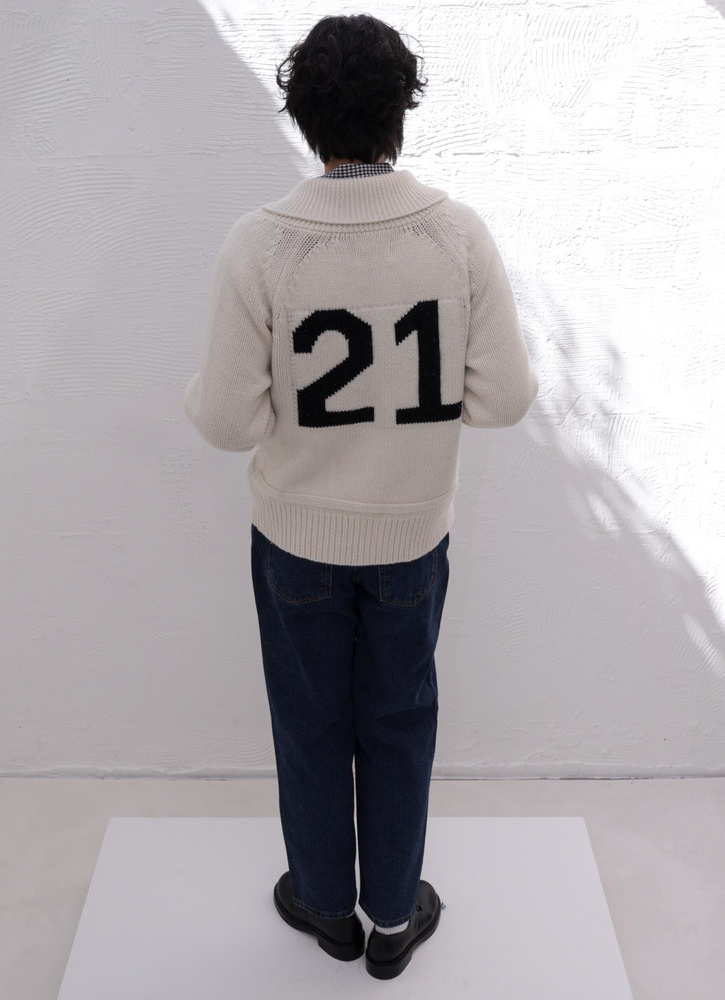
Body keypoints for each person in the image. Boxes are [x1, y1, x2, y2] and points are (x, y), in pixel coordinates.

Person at [183, 12, 538, 981]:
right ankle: (390, 918)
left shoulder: (259, 245)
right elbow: (507, 399)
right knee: (399, 721)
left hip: (296, 541)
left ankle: (325, 906)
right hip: (411, 539)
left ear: (302, 118)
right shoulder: (456, 235)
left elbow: (225, 421)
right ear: (400, 115)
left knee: (310, 725)